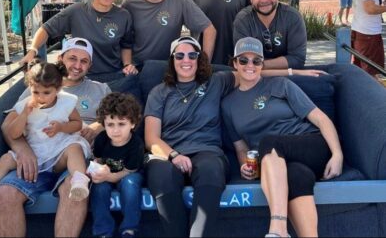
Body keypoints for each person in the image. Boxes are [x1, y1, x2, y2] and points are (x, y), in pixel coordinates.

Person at [144, 35, 322, 238]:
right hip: (168, 153)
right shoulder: (158, 93)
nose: (186, 60)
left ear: (199, 59)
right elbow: (151, 138)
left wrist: (295, 72)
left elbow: (251, 72)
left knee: (211, 171)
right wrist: (174, 155)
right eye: (180, 55)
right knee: (162, 177)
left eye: (192, 55)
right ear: (172, 60)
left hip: (207, 151)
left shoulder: (216, 81)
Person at [222, 37, 343, 237]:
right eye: (243, 60)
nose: (250, 65)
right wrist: (246, 166)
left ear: (262, 64)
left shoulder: (280, 85)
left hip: (311, 144)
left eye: (256, 60)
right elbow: (242, 149)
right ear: (235, 64)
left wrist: (337, 155)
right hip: (277, 163)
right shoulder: (228, 104)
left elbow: (321, 120)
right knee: (296, 176)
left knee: (269, 141)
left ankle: (278, 229)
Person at [0, 38, 110, 237]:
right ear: (61, 58)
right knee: (5, 193)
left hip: (73, 157)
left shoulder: (101, 89)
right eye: (72, 58)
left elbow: (117, 116)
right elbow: (8, 125)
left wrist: (97, 125)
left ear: (90, 65)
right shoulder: (38, 85)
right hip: (36, 155)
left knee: (75, 189)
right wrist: (23, 150)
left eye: (84, 61)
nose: (77, 65)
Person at [0, 60, 92, 227]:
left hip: (59, 149)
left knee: (75, 147)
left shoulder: (66, 102)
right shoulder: (24, 106)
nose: (41, 97)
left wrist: (62, 127)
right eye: (36, 92)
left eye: (46, 92)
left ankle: (80, 180)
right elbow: (13, 133)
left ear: (58, 88)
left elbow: (77, 124)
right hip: (35, 152)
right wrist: (25, 114)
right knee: (6, 159)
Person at [21, 0, 137, 83]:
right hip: (81, 77)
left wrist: (127, 64)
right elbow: (46, 29)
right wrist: (33, 50)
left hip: (113, 76)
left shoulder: (123, 15)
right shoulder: (76, 10)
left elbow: (126, 45)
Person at [90, 92, 144, 238]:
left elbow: (127, 172)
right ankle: (103, 230)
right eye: (110, 124)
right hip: (107, 175)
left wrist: (109, 176)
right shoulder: (101, 139)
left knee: (130, 184)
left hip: (127, 173)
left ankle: (129, 228)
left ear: (132, 123)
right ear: (104, 124)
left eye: (121, 124)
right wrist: (97, 170)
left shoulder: (136, 145)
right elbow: (98, 159)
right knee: (99, 187)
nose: (115, 130)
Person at [233, 0, 307, 69]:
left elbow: (298, 59)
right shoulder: (243, 20)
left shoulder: (292, 17)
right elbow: (243, 62)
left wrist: (260, 65)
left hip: (288, 78)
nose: (264, 0)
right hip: (254, 79)